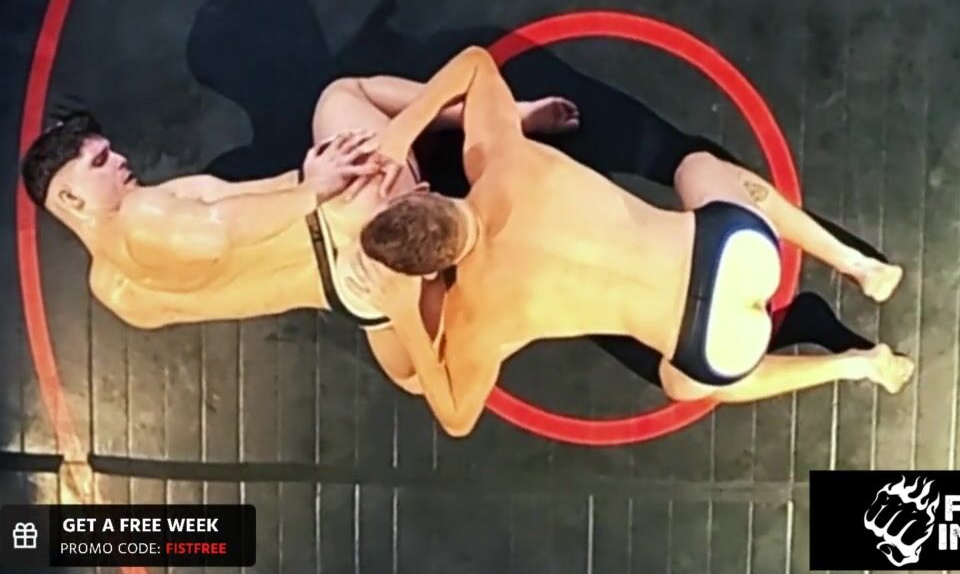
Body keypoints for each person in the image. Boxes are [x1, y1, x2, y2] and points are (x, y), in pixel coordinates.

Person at [349, 46, 915, 437]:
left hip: (715, 343)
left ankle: (856, 366)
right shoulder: (499, 159)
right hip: (737, 251)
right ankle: (856, 264)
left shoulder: (478, 313)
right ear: (424, 193)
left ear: (431, 271)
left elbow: (456, 416)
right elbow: (475, 63)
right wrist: (403, 131)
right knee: (697, 167)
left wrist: (401, 313)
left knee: (687, 384)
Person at [18, 75, 578, 392]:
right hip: (351, 214)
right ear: (70, 200)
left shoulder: (115, 294)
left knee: (414, 377)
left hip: (358, 300)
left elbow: (214, 257)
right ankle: (506, 118)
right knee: (342, 96)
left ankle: (503, 304)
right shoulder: (138, 213)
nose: (118, 159)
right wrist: (313, 188)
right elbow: (216, 236)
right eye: (99, 162)